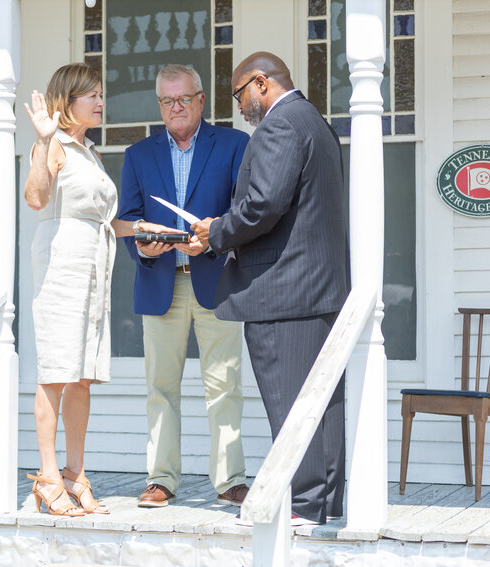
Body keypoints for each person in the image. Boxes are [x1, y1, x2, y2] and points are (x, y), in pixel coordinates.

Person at [191, 52, 348, 526]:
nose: (239, 107)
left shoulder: (280, 126)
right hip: (315, 289)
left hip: (283, 291)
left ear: (261, 82)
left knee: (291, 402)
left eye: (240, 94)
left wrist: (214, 232)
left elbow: (263, 205)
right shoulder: (316, 123)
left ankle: (302, 505)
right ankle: (319, 503)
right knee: (318, 403)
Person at [24, 63, 177, 516]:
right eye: (89, 94)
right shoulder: (54, 146)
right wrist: (45, 138)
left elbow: (107, 220)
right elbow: (35, 198)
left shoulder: (89, 153)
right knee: (55, 371)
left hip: (95, 265)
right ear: (66, 101)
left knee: (83, 375)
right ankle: (48, 477)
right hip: (61, 265)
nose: (99, 101)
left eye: (100, 93)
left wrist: (149, 228)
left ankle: (75, 473)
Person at [118, 64, 250, 508]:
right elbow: (125, 221)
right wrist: (144, 249)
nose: (175, 108)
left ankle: (230, 479)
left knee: (225, 386)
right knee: (160, 388)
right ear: (160, 105)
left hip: (217, 280)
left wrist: (212, 238)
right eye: (167, 101)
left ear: (200, 99)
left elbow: (245, 212)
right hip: (160, 282)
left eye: (183, 99)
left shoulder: (234, 145)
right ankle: (161, 480)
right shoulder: (138, 155)